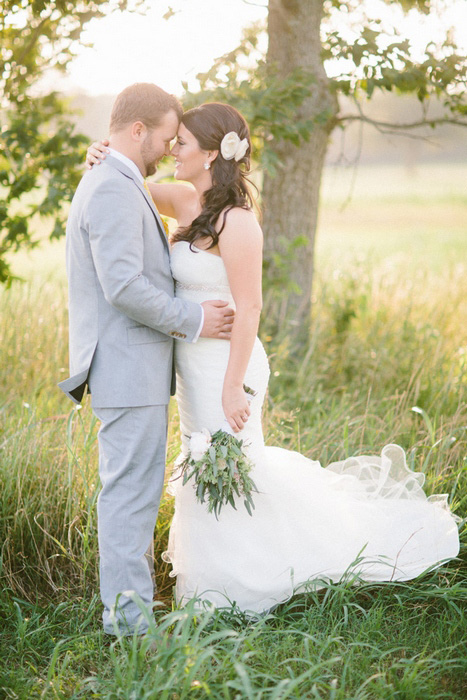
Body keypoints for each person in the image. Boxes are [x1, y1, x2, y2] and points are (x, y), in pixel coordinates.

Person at [86, 102, 460, 615]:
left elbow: (252, 305)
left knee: (230, 460)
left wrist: (232, 384)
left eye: (184, 144)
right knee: (203, 460)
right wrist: (100, 154)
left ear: (212, 153)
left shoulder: (238, 222)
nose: (173, 150)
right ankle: (210, 580)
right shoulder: (177, 197)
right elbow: (124, 185)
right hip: (192, 363)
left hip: (227, 364)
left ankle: (243, 583)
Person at [59, 84, 236, 635]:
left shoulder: (114, 177)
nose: (167, 148)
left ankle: (129, 611)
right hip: (125, 366)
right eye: (164, 137)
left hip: (129, 367)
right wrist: (197, 320)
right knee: (130, 498)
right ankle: (130, 625)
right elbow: (124, 287)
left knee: (129, 492)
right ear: (137, 130)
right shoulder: (112, 186)